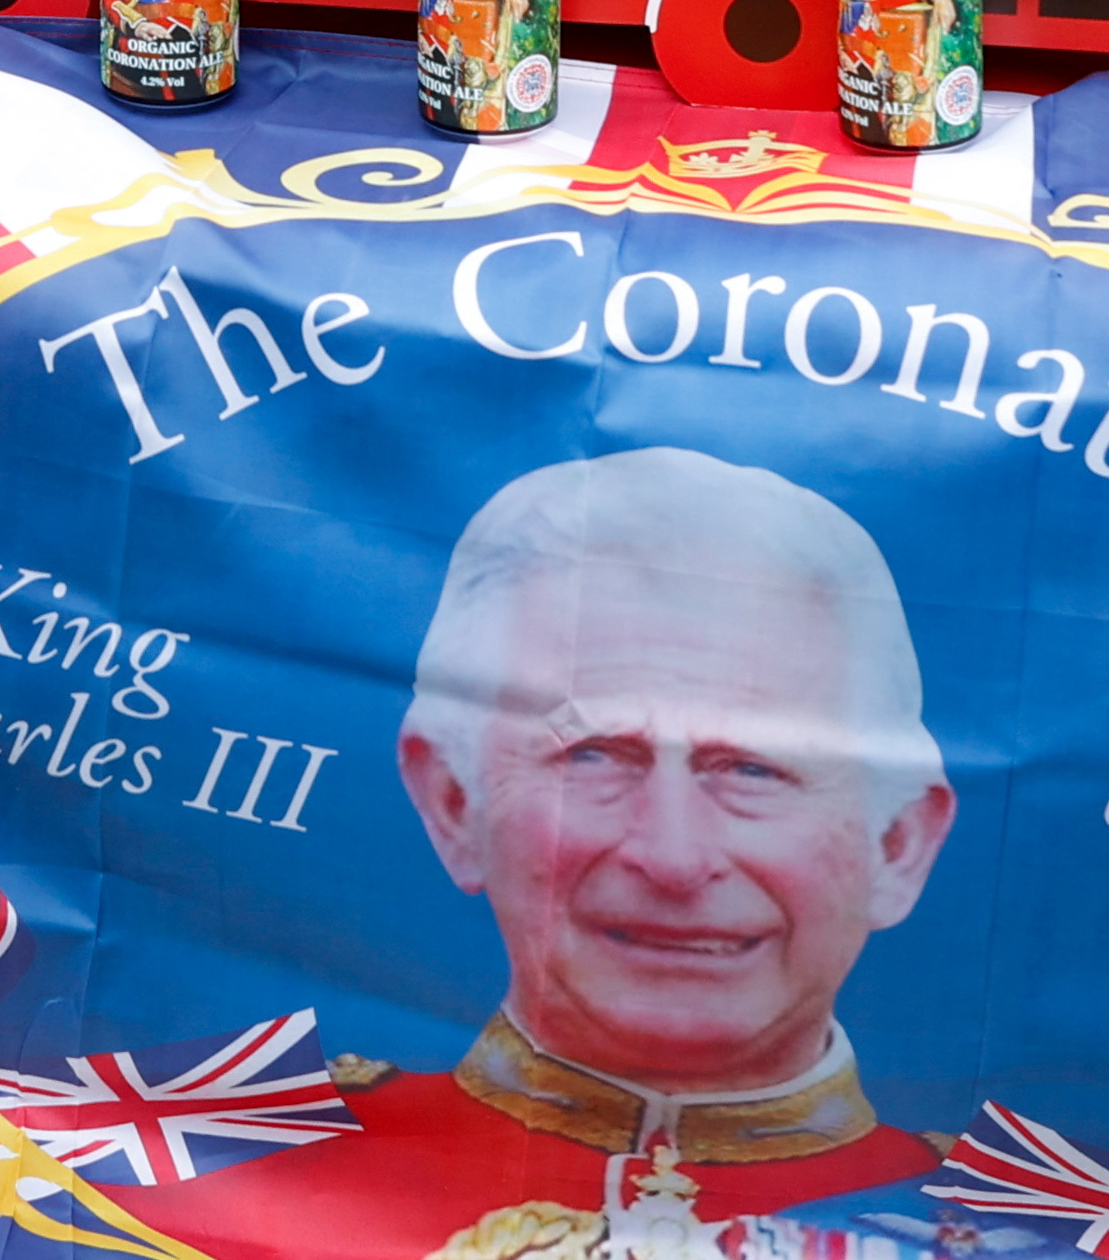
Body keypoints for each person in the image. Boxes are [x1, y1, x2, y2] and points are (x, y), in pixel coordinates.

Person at [161, 449, 954, 1258]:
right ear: (453, 802)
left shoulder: (1038, 1230)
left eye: (753, 766)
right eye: (593, 754)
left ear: (896, 843)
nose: (672, 858)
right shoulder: (149, 1170)